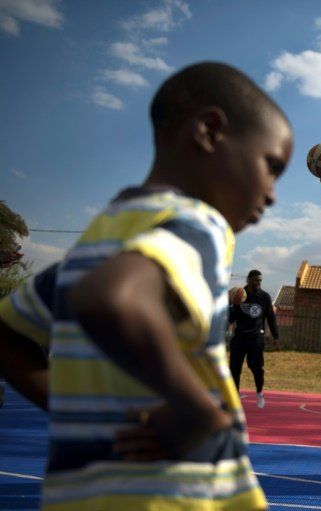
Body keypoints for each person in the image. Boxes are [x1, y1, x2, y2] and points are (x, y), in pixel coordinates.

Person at [0, 62, 293, 510]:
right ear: (210, 131)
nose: (272, 193)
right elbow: (111, 298)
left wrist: (88, 415)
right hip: (176, 495)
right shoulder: (201, 225)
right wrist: (199, 413)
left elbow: (7, 335)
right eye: (271, 166)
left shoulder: (100, 237)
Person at [229, 269, 279, 408]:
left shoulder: (264, 297)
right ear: (249, 279)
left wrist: (275, 336)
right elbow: (232, 318)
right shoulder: (240, 294)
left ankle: (259, 394)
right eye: (256, 280)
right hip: (240, 337)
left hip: (256, 338)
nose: (258, 282)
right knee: (234, 368)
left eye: (260, 280)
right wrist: (230, 303)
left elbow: (270, 317)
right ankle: (234, 396)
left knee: (256, 368)